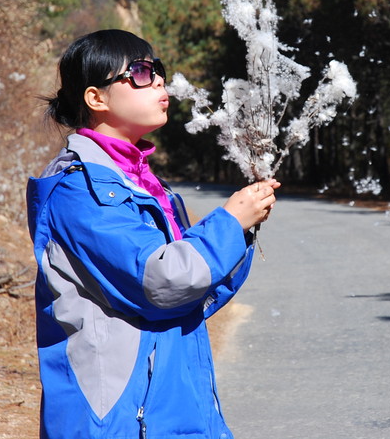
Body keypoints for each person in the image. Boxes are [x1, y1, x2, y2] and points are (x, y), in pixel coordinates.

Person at [26, 29, 279, 439]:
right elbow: (161, 280)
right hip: (121, 418)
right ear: (97, 98)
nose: (159, 80)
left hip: (174, 405)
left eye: (158, 70)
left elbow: (194, 294)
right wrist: (230, 222)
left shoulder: (144, 184)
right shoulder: (79, 190)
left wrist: (244, 230)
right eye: (140, 72)